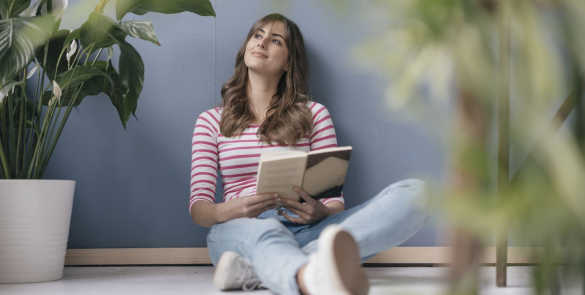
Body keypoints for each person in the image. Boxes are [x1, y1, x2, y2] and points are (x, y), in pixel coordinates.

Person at [190, 13, 431, 295]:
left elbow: (334, 200)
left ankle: (260, 269)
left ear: (289, 62)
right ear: (246, 47)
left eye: (275, 40)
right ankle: (309, 276)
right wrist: (235, 209)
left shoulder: (314, 114)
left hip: (307, 227)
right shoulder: (210, 121)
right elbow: (199, 209)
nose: (262, 42)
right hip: (241, 229)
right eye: (257, 35)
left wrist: (321, 211)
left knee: (418, 193)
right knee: (263, 234)